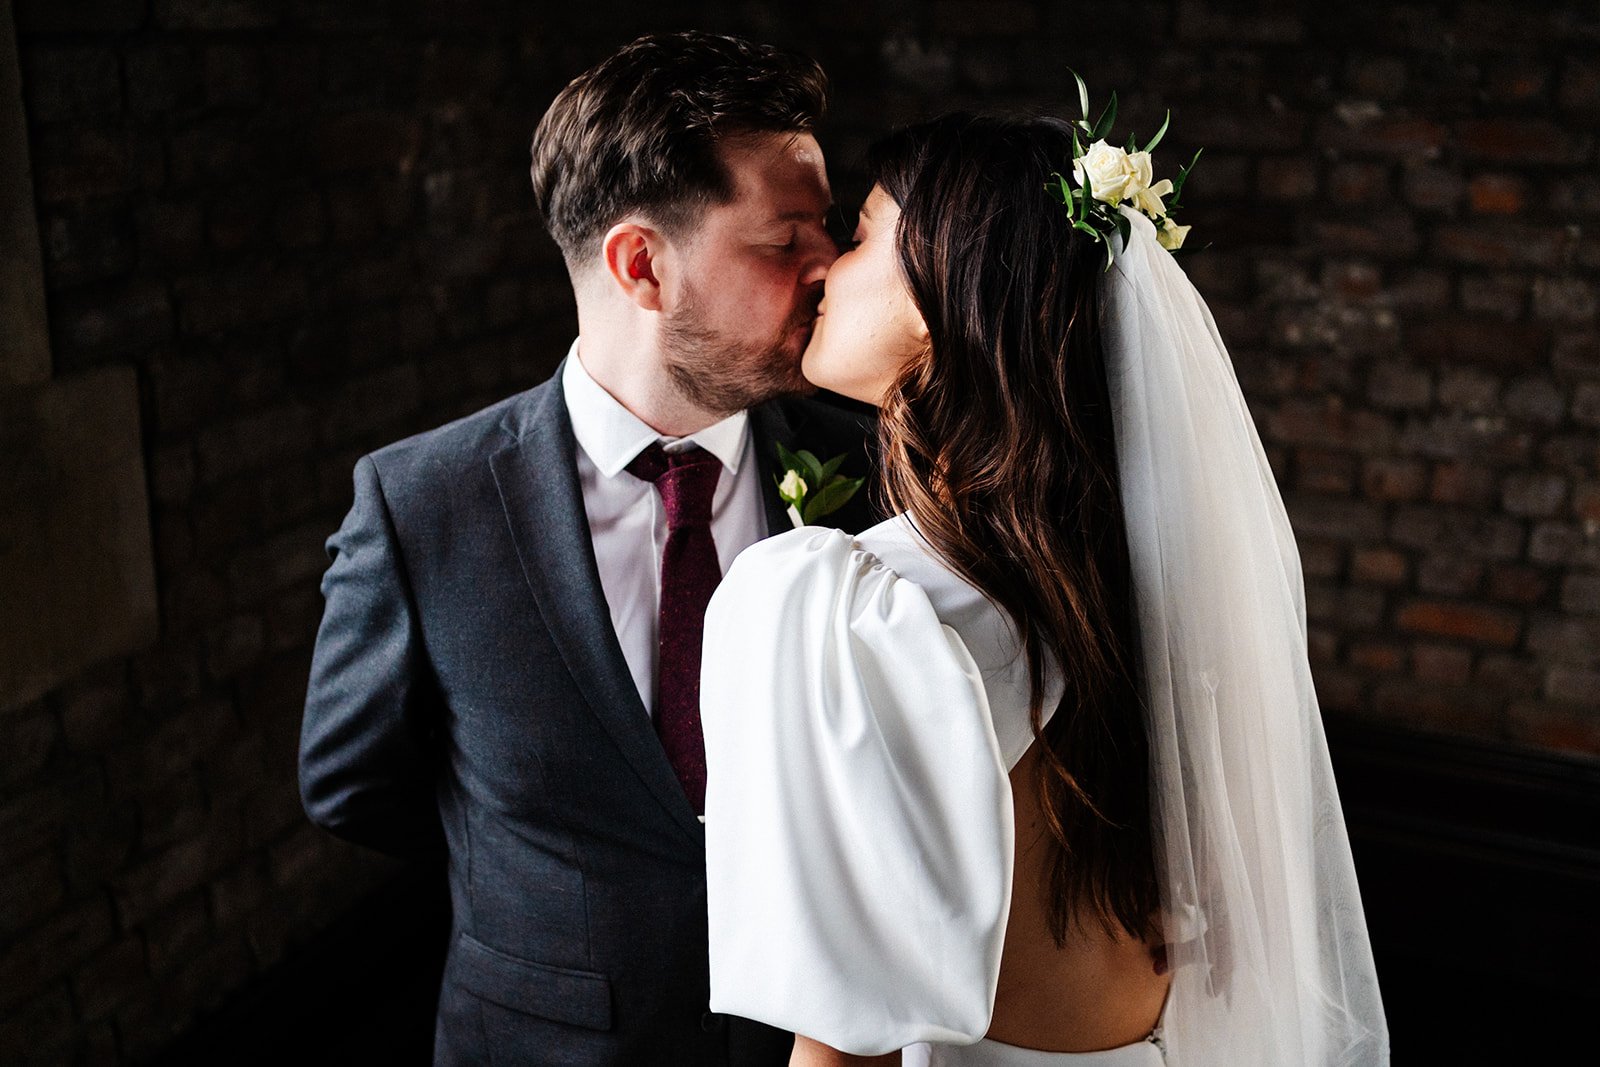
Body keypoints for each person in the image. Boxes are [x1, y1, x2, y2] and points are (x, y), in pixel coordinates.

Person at [700, 113, 1389, 1065]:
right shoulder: (1138, 587)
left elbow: (839, 1050)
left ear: (947, 300)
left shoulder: (853, 615)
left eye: (859, 236)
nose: (821, 268)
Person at [299, 32, 875, 1065]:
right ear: (641, 266)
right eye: (784, 238)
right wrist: (538, 872)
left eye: (824, 227)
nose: (828, 264)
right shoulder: (421, 506)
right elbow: (353, 783)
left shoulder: (872, 475)